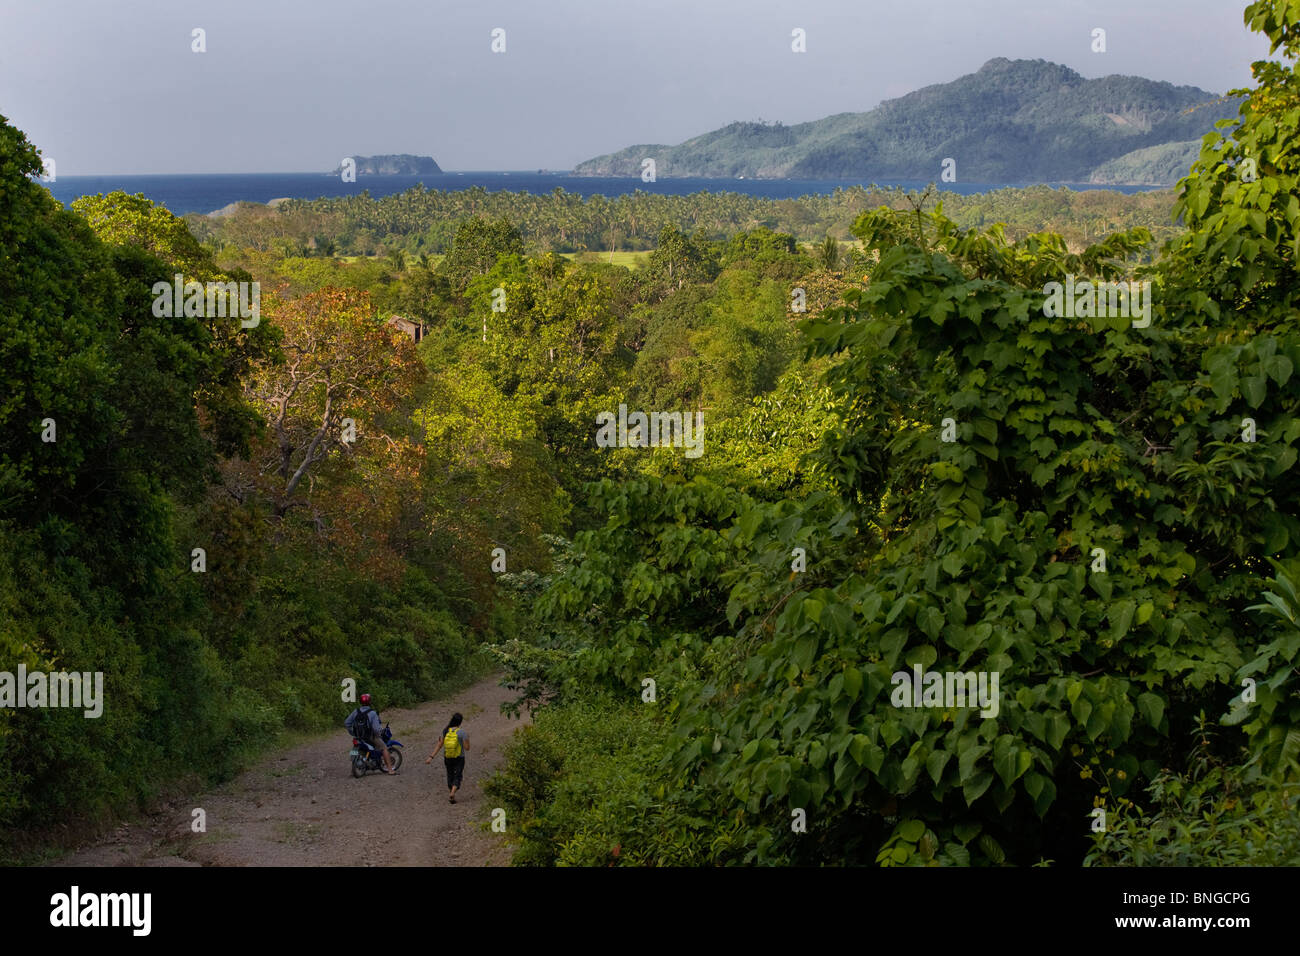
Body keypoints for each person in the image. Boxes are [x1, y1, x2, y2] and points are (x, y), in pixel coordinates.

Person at [425, 712, 469, 803]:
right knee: (458, 775)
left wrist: (431, 757)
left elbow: (439, 745)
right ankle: (453, 792)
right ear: (460, 722)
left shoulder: (445, 731)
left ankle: (451, 794)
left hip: (447, 757)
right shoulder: (462, 732)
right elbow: (467, 748)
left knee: (450, 774)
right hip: (459, 758)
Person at [346, 693, 395, 774]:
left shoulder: (355, 711)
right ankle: (390, 769)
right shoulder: (372, 713)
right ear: (369, 702)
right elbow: (376, 729)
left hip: (359, 737)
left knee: (354, 749)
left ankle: (353, 769)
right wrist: (379, 734)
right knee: (384, 748)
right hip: (370, 737)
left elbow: (347, 723)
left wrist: (353, 733)